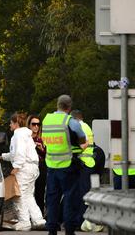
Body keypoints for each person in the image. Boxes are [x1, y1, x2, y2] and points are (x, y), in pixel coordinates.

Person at [42, 95, 87, 235]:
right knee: (69, 198)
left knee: (52, 199)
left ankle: (51, 229)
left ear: (57, 105)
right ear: (69, 107)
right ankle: (69, 229)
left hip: (50, 165)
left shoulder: (46, 119)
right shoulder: (70, 121)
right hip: (67, 165)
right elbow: (82, 138)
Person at [1, 112, 46, 231]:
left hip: (24, 168)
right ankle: (38, 219)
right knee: (28, 195)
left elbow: (19, 153)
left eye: (11, 123)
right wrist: (2, 157)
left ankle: (24, 221)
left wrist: (16, 167)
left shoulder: (18, 135)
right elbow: (15, 154)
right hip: (33, 168)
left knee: (18, 195)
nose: (10, 125)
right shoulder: (26, 135)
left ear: (16, 123)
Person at [70, 109, 100, 232]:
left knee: (82, 194)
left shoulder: (80, 126)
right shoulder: (86, 126)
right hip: (87, 163)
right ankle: (80, 221)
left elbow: (83, 144)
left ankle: (80, 222)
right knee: (83, 193)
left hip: (85, 164)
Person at [27, 115, 47, 214]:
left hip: (41, 166)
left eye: (38, 124)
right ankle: (28, 215)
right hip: (28, 168)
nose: (36, 126)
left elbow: (47, 155)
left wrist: (41, 149)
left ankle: (40, 215)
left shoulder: (42, 138)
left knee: (40, 192)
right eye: (33, 124)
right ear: (29, 125)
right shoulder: (26, 138)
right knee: (28, 193)